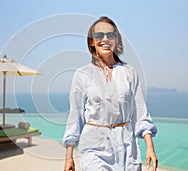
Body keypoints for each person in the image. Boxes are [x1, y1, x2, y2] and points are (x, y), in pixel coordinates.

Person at [63, 16, 158, 171]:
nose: (105, 39)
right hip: (94, 147)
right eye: (99, 35)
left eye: (110, 35)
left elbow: (141, 113)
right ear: (92, 42)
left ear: (116, 40)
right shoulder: (82, 74)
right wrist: (69, 157)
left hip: (127, 147)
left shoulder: (129, 72)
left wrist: (150, 148)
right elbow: (75, 117)